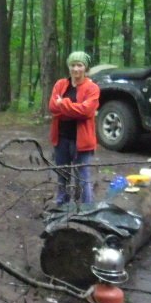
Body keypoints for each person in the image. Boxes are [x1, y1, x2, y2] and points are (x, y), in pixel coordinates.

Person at [48, 50, 100, 205]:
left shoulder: (92, 88)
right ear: (68, 67)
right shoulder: (60, 84)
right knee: (62, 176)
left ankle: (87, 211)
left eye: (80, 65)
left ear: (85, 67)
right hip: (62, 138)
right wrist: (73, 109)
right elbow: (52, 107)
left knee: (83, 178)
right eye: (73, 65)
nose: (76, 69)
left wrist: (63, 104)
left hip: (82, 142)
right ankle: (61, 207)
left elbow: (86, 111)